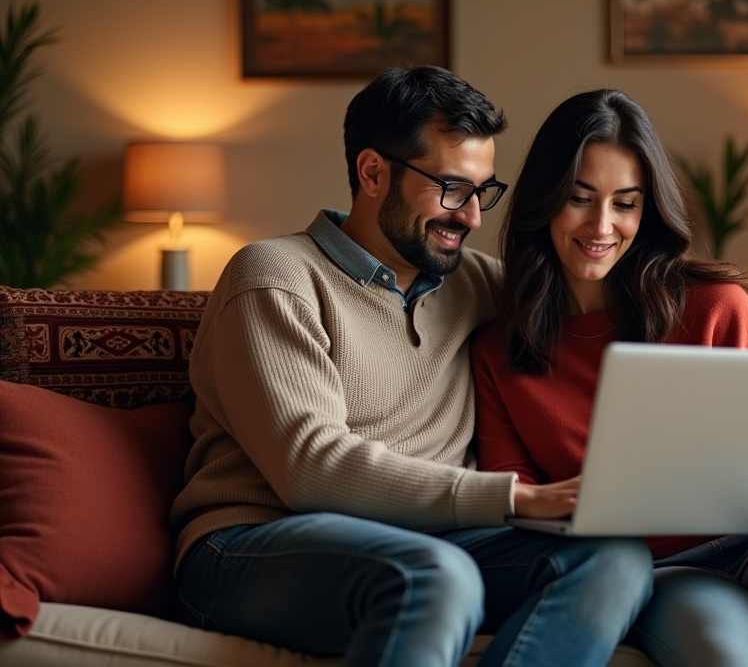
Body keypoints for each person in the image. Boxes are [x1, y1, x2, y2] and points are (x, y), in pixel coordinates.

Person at [169, 68, 653, 667]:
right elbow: (309, 470)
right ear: (373, 173)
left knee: (614, 558)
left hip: (435, 543)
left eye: (484, 191)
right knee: (436, 576)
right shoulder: (275, 278)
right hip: (250, 546)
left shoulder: (480, 284)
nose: (473, 217)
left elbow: (593, 302)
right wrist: (517, 499)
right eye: (452, 188)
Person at [471, 88, 748, 667]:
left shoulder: (712, 304)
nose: (603, 225)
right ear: (543, 201)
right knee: (724, 651)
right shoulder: (501, 350)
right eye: (580, 198)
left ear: (647, 210)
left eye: (626, 203)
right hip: (672, 571)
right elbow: (515, 494)